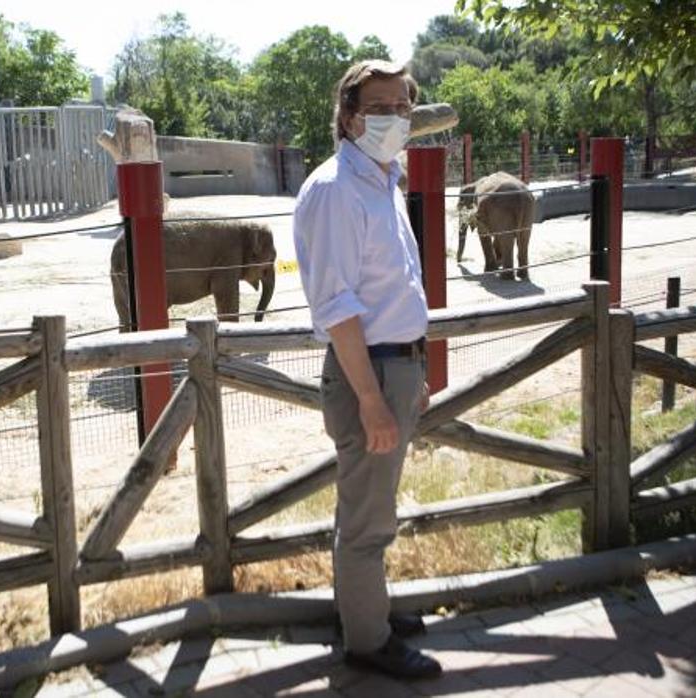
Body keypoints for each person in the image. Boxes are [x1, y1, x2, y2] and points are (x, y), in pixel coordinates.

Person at [292, 60, 442, 680]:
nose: (395, 118)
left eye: (404, 107)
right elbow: (339, 308)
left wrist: (415, 373)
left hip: (392, 369)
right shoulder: (335, 189)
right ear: (350, 115)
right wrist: (375, 400)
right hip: (368, 376)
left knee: (370, 508)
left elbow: (393, 289)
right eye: (380, 107)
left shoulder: (383, 181)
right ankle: (366, 641)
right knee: (367, 519)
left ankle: (364, 609)